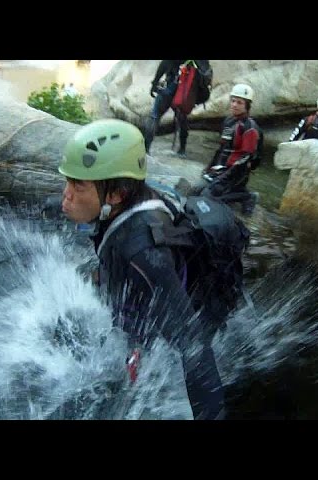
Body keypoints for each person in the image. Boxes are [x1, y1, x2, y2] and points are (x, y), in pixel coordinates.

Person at [58, 118, 227, 420]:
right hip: (139, 290)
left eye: (77, 184)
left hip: (163, 306)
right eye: (68, 181)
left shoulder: (144, 253)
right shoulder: (123, 203)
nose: (66, 194)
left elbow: (194, 348)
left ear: (116, 195)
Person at [200, 83, 261, 216]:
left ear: (247, 106)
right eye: (233, 101)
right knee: (198, 190)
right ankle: (235, 191)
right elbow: (221, 148)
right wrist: (209, 167)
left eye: (239, 102)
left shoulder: (249, 128)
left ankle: (247, 196)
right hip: (224, 168)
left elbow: (245, 159)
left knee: (211, 198)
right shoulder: (228, 122)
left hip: (237, 172)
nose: (234, 105)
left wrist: (222, 179)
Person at [144, 60, 210, 157]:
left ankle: (146, 149)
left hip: (171, 85)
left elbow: (165, 64)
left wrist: (155, 83)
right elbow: (206, 75)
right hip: (186, 91)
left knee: (155, 115)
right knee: (182, 118)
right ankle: (182, 150)